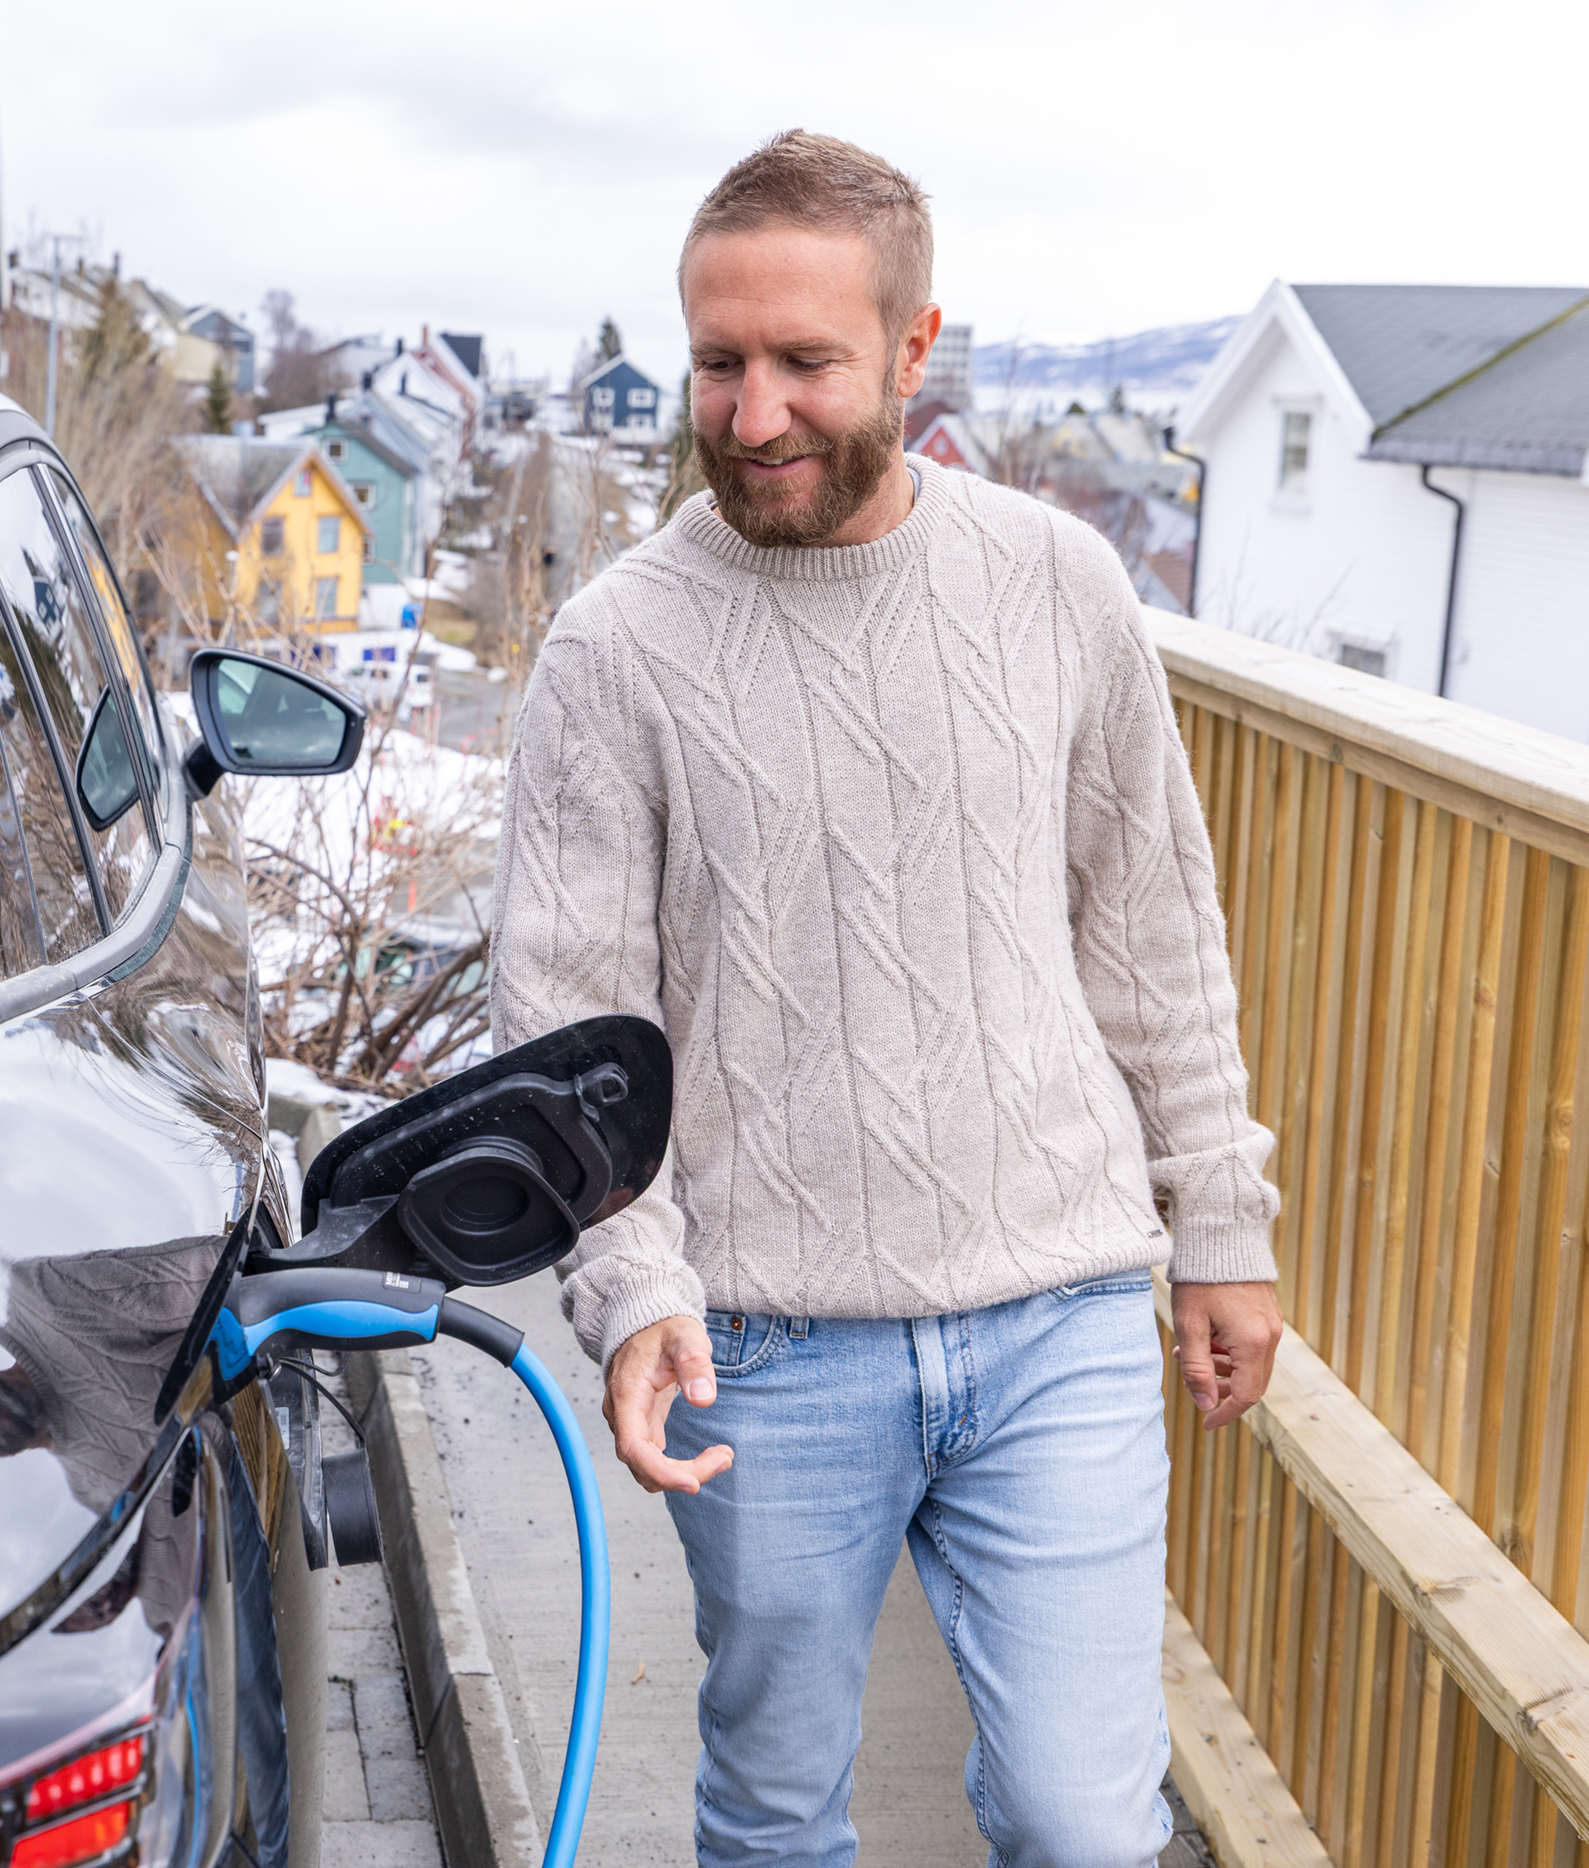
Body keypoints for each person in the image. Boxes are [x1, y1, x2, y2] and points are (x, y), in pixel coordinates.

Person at [489, 129, 1285, 1868]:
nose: (752, 412)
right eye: (718, 362)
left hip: (1058, 1309)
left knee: (1087, 1823)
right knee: (777, 1814)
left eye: (803, 364)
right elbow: (568, 1031)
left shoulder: (1063, 588)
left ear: (916, 354)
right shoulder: (615, 651)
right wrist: (631, 1293)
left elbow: (1152, 920)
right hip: (763, 1341)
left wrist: (1220, 1221)